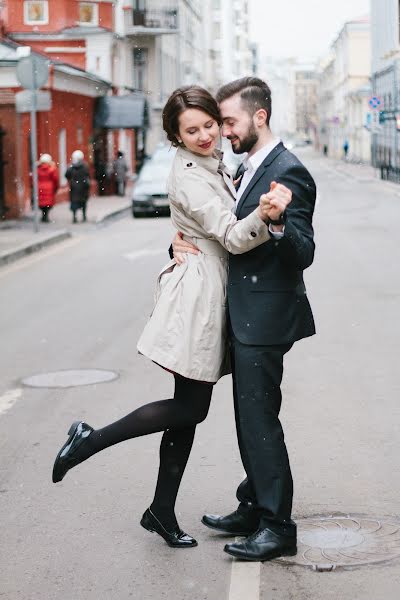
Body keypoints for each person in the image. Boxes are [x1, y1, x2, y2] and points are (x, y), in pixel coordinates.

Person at [51, 85, 292, 550]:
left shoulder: (209, 161)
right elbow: (233, 236)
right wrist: (265, 215)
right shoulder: (192, 174)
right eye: (192, 130)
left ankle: (161, 510)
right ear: (175, 137)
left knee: (188, 407)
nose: (205, 135)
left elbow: (195, 224)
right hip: (199, 299)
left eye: (209, 125)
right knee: (190, 406)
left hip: (208, 286)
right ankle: (89, 440)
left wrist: (181, 237)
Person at [172, 77, 316, 562]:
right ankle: (253, 503)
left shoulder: (288, 172)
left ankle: (278, 526)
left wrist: (276, 222)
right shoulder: (247, 166)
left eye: (229, 121)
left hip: (265, 317)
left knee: (259, 423)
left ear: (259, 117)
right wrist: (177, 241)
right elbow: (216, 224)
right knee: (247, 419)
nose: (223, 131)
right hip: (245, 313)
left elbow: (304, 252)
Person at [65, 150, 90, 223]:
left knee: (74, 202)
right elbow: (87, 175)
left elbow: (67, 175)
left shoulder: (71, 167)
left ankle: (74, 217)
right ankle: (84, 216)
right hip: (83, 187)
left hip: (74, 187)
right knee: (83, 202)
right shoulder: (85, 166)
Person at [36, 153, 59, 222]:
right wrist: (55, 188)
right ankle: (46, 216)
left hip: (39, 187)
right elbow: (55, 179)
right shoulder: (52, 169)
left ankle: (43, 215)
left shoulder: (38, 169)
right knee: (48, 203)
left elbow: (33, 178)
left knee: (42, 202)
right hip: (49, 187)